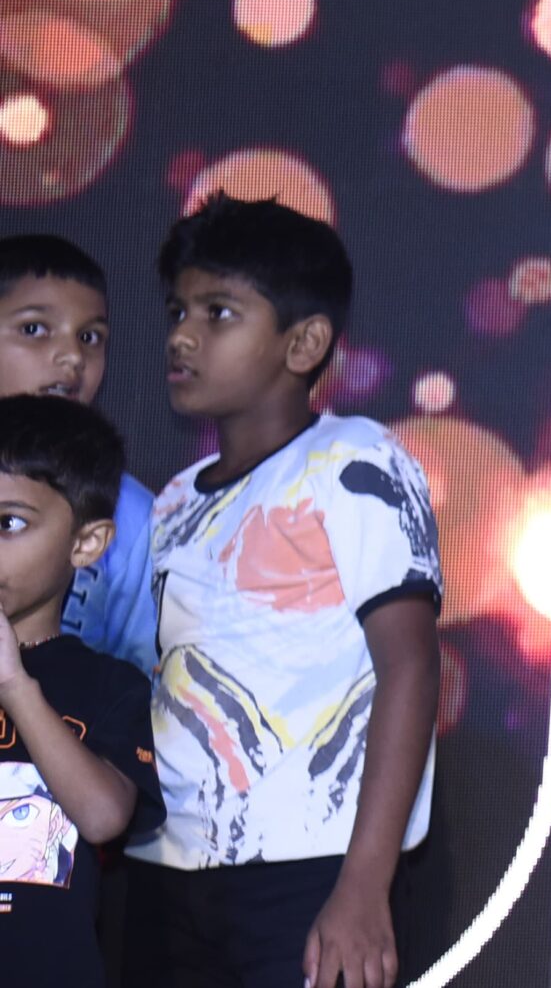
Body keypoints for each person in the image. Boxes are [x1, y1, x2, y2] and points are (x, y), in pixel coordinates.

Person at [127, 196, 441, 988]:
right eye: (177, 312)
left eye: (219, 312)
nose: (182, 336)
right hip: (164, 873)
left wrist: (364, 886)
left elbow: (410, 666)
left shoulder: (354, 460)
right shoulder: (173, 499)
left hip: (311, 870)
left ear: (305, 343)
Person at [0, 394, 163, 988]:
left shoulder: (107, 685)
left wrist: (14, 684)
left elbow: (102, 817)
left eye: (9, 524)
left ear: (86, 543)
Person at [0, 235, 154, 673]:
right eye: (34, 329)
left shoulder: (132, 513)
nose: (72, 356)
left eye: (90, 337)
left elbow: (142, 676)